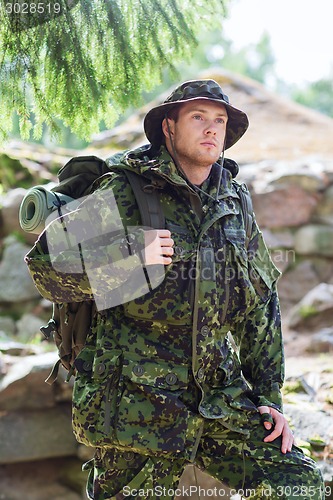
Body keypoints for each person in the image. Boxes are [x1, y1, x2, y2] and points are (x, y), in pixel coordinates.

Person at [25, 79, 325, 499]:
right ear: (169, 127)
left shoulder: (233, 199)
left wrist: (269, 396)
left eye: (219, 120)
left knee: (298, 485)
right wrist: (131, 255)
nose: (211, 129)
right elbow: (45, 270)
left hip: (218, 399)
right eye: (198, 117)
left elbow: (260, 301)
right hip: (137, 406)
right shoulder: (124, 191)